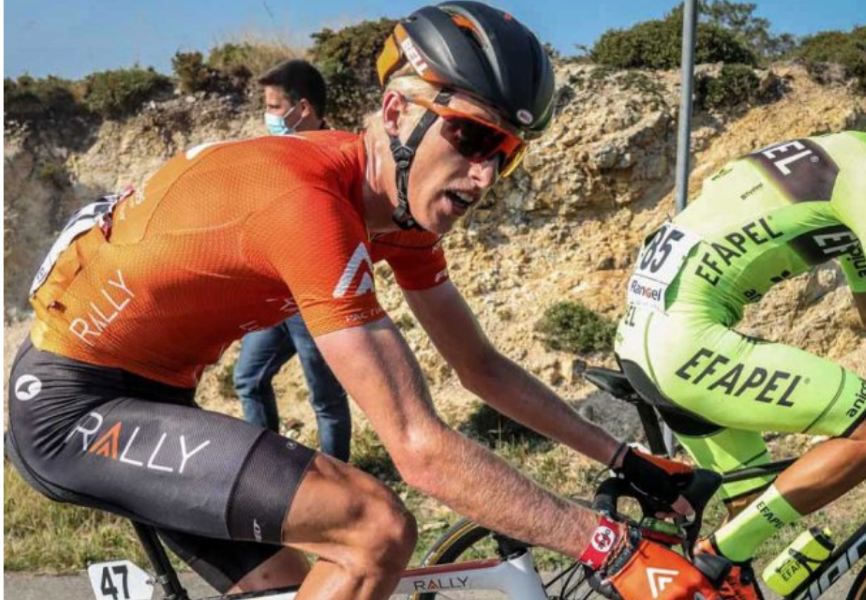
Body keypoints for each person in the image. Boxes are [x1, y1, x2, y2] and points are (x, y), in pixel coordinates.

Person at [9, 4, 725, 600]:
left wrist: (626, 460)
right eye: (471, 135)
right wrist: (609, 549)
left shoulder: (398, 218)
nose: (482, 176)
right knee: (374, 528)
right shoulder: (303, 204)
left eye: (504, 154)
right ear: (394, 111)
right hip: (75, 410)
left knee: (312, 581)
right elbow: (419, 449)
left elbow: (480, 368)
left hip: (158, 399)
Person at [615, 131, 866, 600]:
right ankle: (719, 551)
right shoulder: (860, 170)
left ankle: (719, 569)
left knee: (750, 505)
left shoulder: (838, 160)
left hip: (641, 336)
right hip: (682, 342)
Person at [234, 58, 352, 462]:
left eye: (273, 107)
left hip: (315, 297)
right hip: (276, 296)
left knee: (325, 396)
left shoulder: (339, 154)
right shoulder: (274, 154)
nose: (266, 117)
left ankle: (338, 476)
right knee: (248, 378)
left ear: (302, 109)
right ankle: (268, 471)